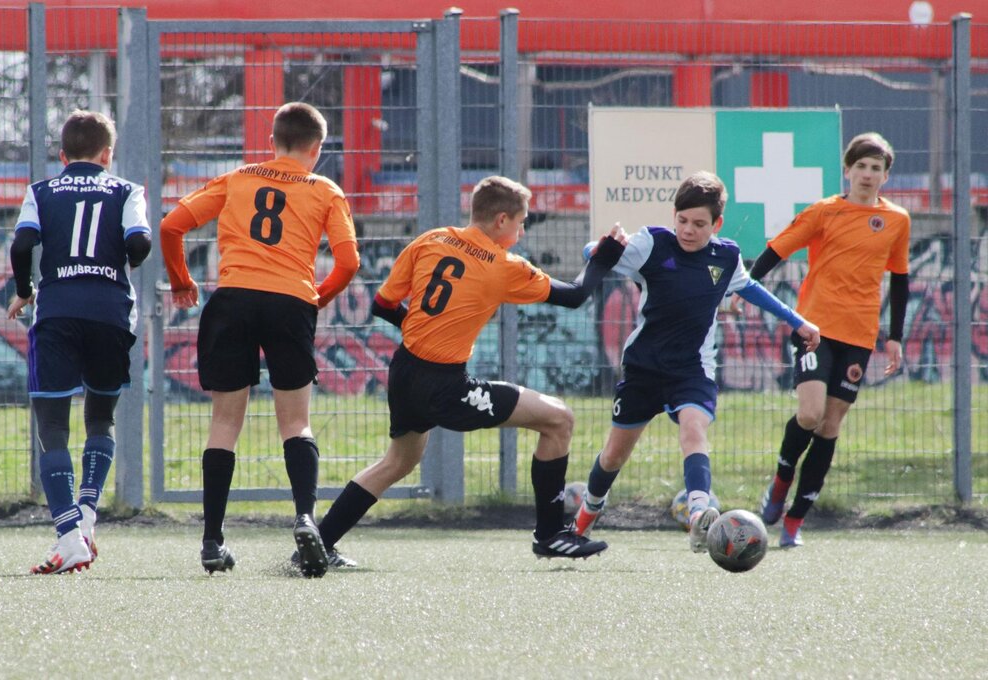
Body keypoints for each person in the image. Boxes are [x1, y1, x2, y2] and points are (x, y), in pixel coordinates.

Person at [313, 175, 627, 566]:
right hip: (445, 385)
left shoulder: (431, 240)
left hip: (405, 371)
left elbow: (382, 304)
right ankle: (551, 536)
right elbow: (577, 294)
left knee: (397, 462)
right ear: (501, 220)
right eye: (520, 222)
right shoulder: (503, 265)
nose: (521, 231)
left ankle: (318, 543)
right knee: (559, 419)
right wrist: (604, 257)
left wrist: (426, 329)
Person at [569, 171, 821, 554]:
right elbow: (594, 254)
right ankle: (584, 518)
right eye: (683, 220)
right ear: (674, 216)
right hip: (643, 369)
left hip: (693, 370)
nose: (688, 230)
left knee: (693, 429)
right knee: (614, 455)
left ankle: (700, 514)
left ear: (716, 224)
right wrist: (602, 245)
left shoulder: (726, 256)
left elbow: (749, 288)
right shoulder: (652, 243)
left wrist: (798, 321)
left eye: (699, 224)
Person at [160, 102, 359, 578]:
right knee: (296, 422)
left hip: (232, 301)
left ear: (272, 142)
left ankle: (212, 541)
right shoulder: (325, 189)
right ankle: (306, 519)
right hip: (290, 303)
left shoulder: (238, 178)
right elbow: (349, 262)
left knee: (224, 423)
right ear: (317, 148)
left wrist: (182, 281)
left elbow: (171, 226)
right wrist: (316, 299)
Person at [746, 132, 910, 547]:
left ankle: (794, 523)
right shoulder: (824, 211)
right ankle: (780, 482)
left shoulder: (897, 220)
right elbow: (777, 250)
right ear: (847, 170)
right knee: (810, 414)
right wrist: (740, 287)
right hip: (813, 328)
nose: (868, 174)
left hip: (860, 334)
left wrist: (895, 336)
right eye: (861, 166)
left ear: (886, 176)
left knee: (830, 425)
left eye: (876, 168)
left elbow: (900, 278)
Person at [7, 110, 152, 574]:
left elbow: (21, 245)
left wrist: (25, 289)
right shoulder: (127, 190)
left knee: (52, 424)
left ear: (62, 155)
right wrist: (123, 260)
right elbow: (140, 243)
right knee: (101, 417)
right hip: (111, 314)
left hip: (57, 313)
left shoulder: (41, 191)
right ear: (107, 155)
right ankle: (87, 517)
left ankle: (69, 535)